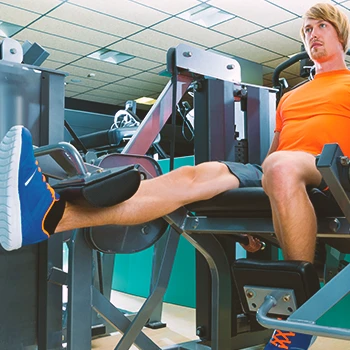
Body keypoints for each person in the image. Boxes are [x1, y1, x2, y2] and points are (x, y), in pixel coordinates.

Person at [0, 3, 349, 350]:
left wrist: (281, 172)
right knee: (190, 176)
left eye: (321, 27)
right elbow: (274, 155)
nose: (312, 35)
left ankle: (298, 317)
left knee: (282, 166)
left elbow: (283, 163)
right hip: (278, 169)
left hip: (331, 169)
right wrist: (267, 198)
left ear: (341, 35)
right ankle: (49, 215)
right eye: (306, 29)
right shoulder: (292, 97)